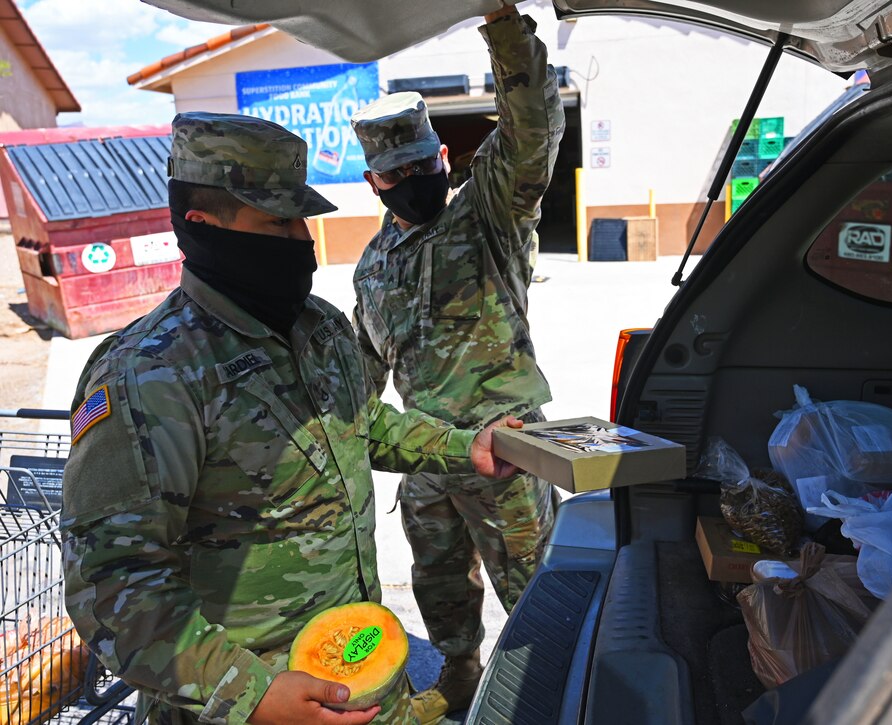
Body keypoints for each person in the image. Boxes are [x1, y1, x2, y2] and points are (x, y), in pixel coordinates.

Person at [61, 112, 523, 725]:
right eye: (277, 221)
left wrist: (466, 446)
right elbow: (114, 580)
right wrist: (248, 693)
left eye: (300, 217)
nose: (302, 238)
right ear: (203, 227)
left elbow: (364, 425)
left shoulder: (320, 326)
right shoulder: (150, 373)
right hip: (248, 700)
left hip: (360, 670)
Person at [348, 5, 564, 722]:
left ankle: (556, 691)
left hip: (506, 450)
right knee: (440, 586)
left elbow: (532, 131)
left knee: (540, 594)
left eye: (423, 164)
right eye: (397, 173)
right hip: (428, 459)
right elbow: (362, 369)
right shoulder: (373, 266)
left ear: (444, 158)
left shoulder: (488, 215)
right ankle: (462, 673)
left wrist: (505, 27)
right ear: (375, 183)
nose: (414, 178)